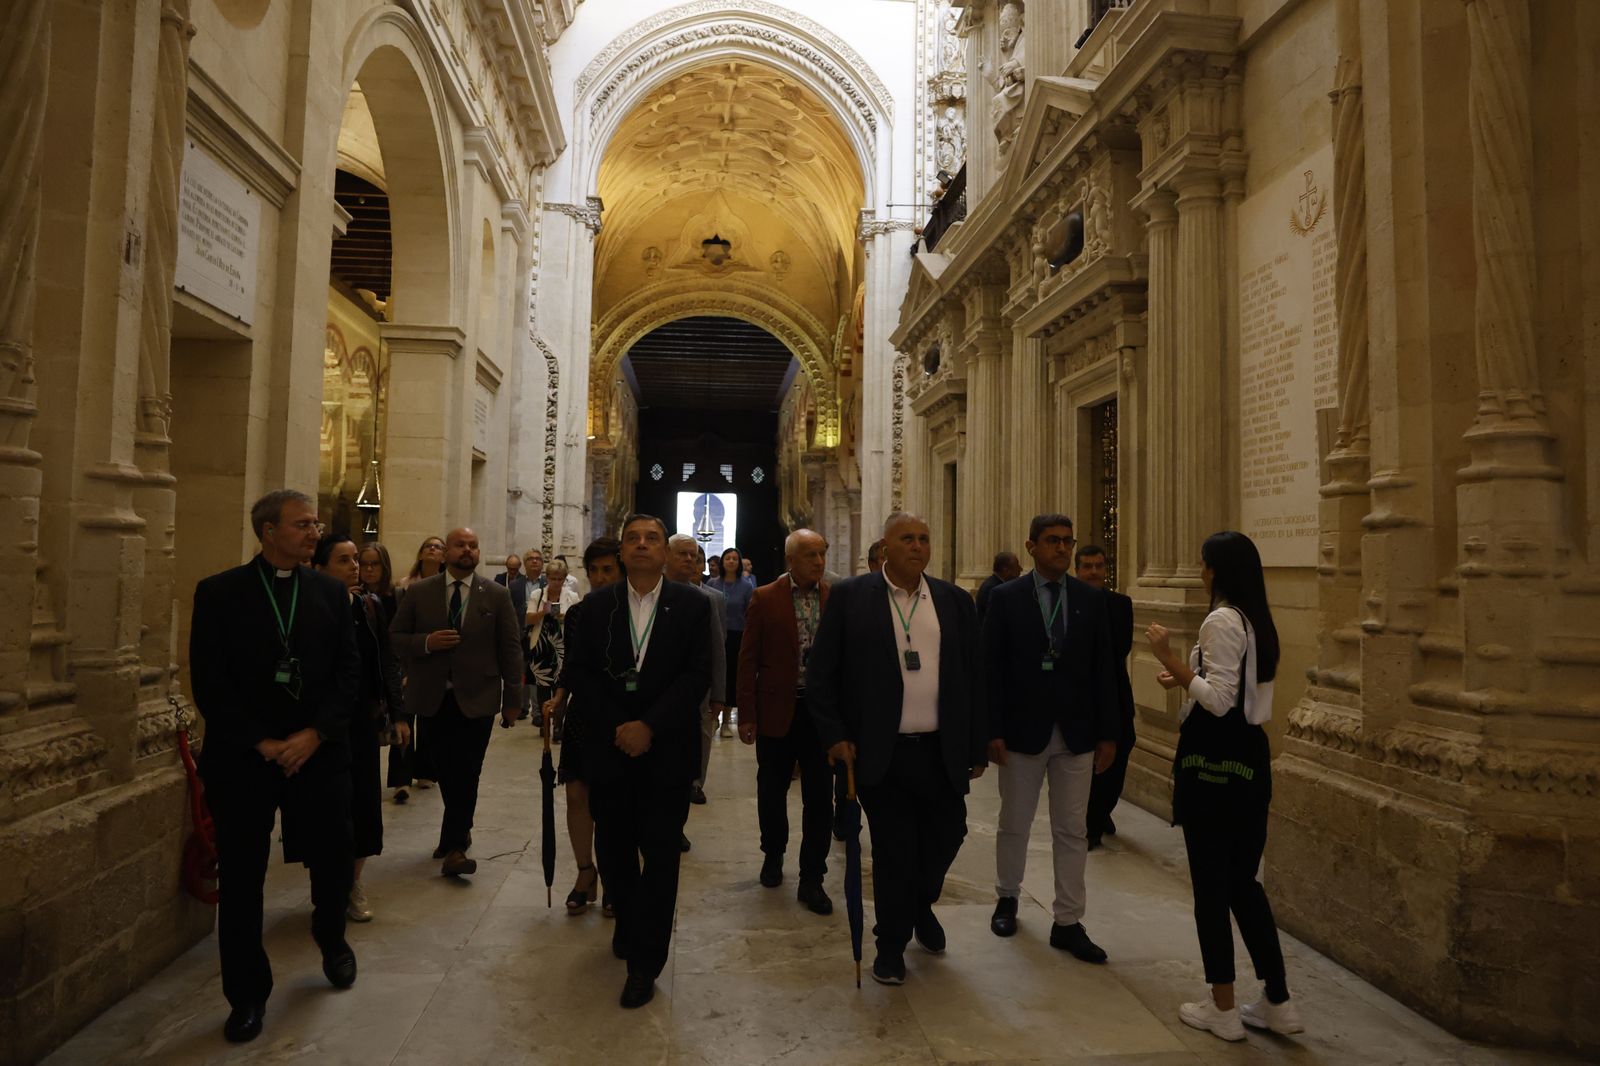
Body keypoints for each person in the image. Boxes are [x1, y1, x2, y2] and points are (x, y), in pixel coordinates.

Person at [187, 490, 361, 1044]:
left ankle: (332, 939)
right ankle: (246, 995)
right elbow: (209, 683)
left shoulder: (332, 593)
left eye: (315, 524)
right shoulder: (219, 593)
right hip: (245, 759)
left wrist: (313, 734)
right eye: (302, 524)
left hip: (318, 753)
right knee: (242, 879)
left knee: (333, 861)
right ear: (267, 531)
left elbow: (349, 676)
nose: (315, 533)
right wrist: (262, 742)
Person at [806, 512, 986, 986]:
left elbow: (973, 676)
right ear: (885, 547)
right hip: (882, 751)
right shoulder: (851, 597)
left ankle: (919, 904)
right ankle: (889, 946)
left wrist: (978, 742)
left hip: (940, 749)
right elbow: (822, 674)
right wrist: (834, 733)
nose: (917, 546)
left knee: (949, 834)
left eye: (924, 539)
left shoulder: (951, 600)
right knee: (894, 850)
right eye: (907, 538)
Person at [1147, 531, 1301, 1042]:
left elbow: (1217, 700)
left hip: (1214, 766)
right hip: (1250, 762)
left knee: (1211, 890)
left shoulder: (1220, 619)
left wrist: (1168, 657)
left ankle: (1224, 1008)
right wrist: (1185, 673)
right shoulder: (1257, 617)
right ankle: (1277, 1001)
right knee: (1243, 886)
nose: (1201, 570)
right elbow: (1232, 684)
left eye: (1203, 563)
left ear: (1216, 570)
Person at [564, 514, 711, 1008]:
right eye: (634, 539)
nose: (643, 546)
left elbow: (697, 675)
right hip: (610, 750)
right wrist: (620, 728)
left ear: (665, 552)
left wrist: (649, 726)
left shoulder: (691, 604)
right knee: (617, 851)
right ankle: (627, 920)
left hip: (667, 750)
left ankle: (646, 962)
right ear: (621, 551)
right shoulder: (596, 605)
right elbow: (582, 674)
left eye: (653, 539)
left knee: (663, 855)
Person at [983, 514, 1118, 963]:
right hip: (1023, 730)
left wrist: (1108, 733)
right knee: (1015, 821)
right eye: (1052, 541)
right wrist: (992, 728)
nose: (1061, 548)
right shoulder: (1006, 599)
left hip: (1077, 731)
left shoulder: (1089, 599)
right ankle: (1007, 896)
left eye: (1067, 541)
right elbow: (991, 668)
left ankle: (1068, 921)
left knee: (1072, 829)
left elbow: (1105, 670)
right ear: (1031, 547)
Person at [389, 527, 523, 878]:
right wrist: (428, 642)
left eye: (473, 545)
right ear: (445, 551)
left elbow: (511, 648)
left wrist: (514, 700)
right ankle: (459, 830)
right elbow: (396, 638)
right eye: (460, 545)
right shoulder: (419, 592)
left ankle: (455, 846)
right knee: (444, 769)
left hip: (478, 697)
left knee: (469, 770)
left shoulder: (495, 595)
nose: (467, 550)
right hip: (432, 697)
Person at [737, 528, 834, 915]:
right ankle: (773, 854)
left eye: (822, 554)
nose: (819, 562)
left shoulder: (833, 597)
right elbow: (748, 661)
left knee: (819, 798)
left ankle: (813, 877)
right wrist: (747, 714)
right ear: (791, 561)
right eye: (811, 555)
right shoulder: (765, 598)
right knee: (771, 790)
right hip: (778, 709)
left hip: (820, 714)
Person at [314, 535, 409, 923]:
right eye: (344, 560)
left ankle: (351, 883)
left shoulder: (369, 607)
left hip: (362, 722)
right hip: (321, 726)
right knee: (328, 809)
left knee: (364, 805)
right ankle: (327, 884)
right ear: (320, 569)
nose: (355, 567)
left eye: (357, 559)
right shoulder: (311, 609)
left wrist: (399, 714)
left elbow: (386, 660)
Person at [1076, 544, 1135, 848]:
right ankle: (1092, 821)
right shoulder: (1067, 602)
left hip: (1115, 691)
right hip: (1080, 695)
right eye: (1087, 566)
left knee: (1121, 751)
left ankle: (1103, 809)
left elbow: (1119, 649)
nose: (1094, 572)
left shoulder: (1120, 604)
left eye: (1099, 566)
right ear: (1077, 570)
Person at [667, 534, 726, 812]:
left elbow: (717, 648)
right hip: (660, 691)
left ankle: (693, 787)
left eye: (694, 556)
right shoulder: (652, 593)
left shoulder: (707, 599)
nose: (690, 560)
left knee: (693, 753)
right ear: (667, 556)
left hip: (697, 694)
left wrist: (719, 694)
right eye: (683, 554)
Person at [394, 536, 445, 791]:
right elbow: (399, 626)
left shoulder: (449, 588)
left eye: (438, 547)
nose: (433, 550)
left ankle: (426, 770)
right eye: (429, 546)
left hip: (435, 660)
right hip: (409, 656)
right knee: (403, 716)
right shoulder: (405, 586)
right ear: (421, 554)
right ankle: (401, 777)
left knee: (429, 717)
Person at [709, 547, 755, 738]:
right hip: (715, 634)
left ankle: (727, 720)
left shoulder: (746, 586)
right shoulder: (712, 583)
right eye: (728, 558)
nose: (731, 562)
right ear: (723, 562)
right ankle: (713, 718)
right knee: (714, 673)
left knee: (730, 676)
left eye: (735, 559)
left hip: (737, 635)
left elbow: (751, 612)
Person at [526, 558, 576, 732]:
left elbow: (578, 621)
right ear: (546, 577)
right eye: (553, 578)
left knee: (560, 687)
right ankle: (545, 723)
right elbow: (528, 619)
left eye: (559, 579)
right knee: (542, 688)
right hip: (541, 645)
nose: (556, 582)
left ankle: (558, 726)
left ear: (565, 578)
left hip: (562, 646)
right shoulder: (537, 594)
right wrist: (543, 611)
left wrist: (564, 617)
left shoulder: (572, 596)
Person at [975, 550, 1022, 622]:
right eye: (1017, 566)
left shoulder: (996, 584)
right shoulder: (992, 588)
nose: (1021, 569)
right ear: (1006, 570)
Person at [495, 552, 530, 631]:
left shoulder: (523, 580)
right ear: (506, 566)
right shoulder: (499, 579)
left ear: (520, 566)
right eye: (510, 569)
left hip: (517, 618)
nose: (513, 571)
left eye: (515, 569)